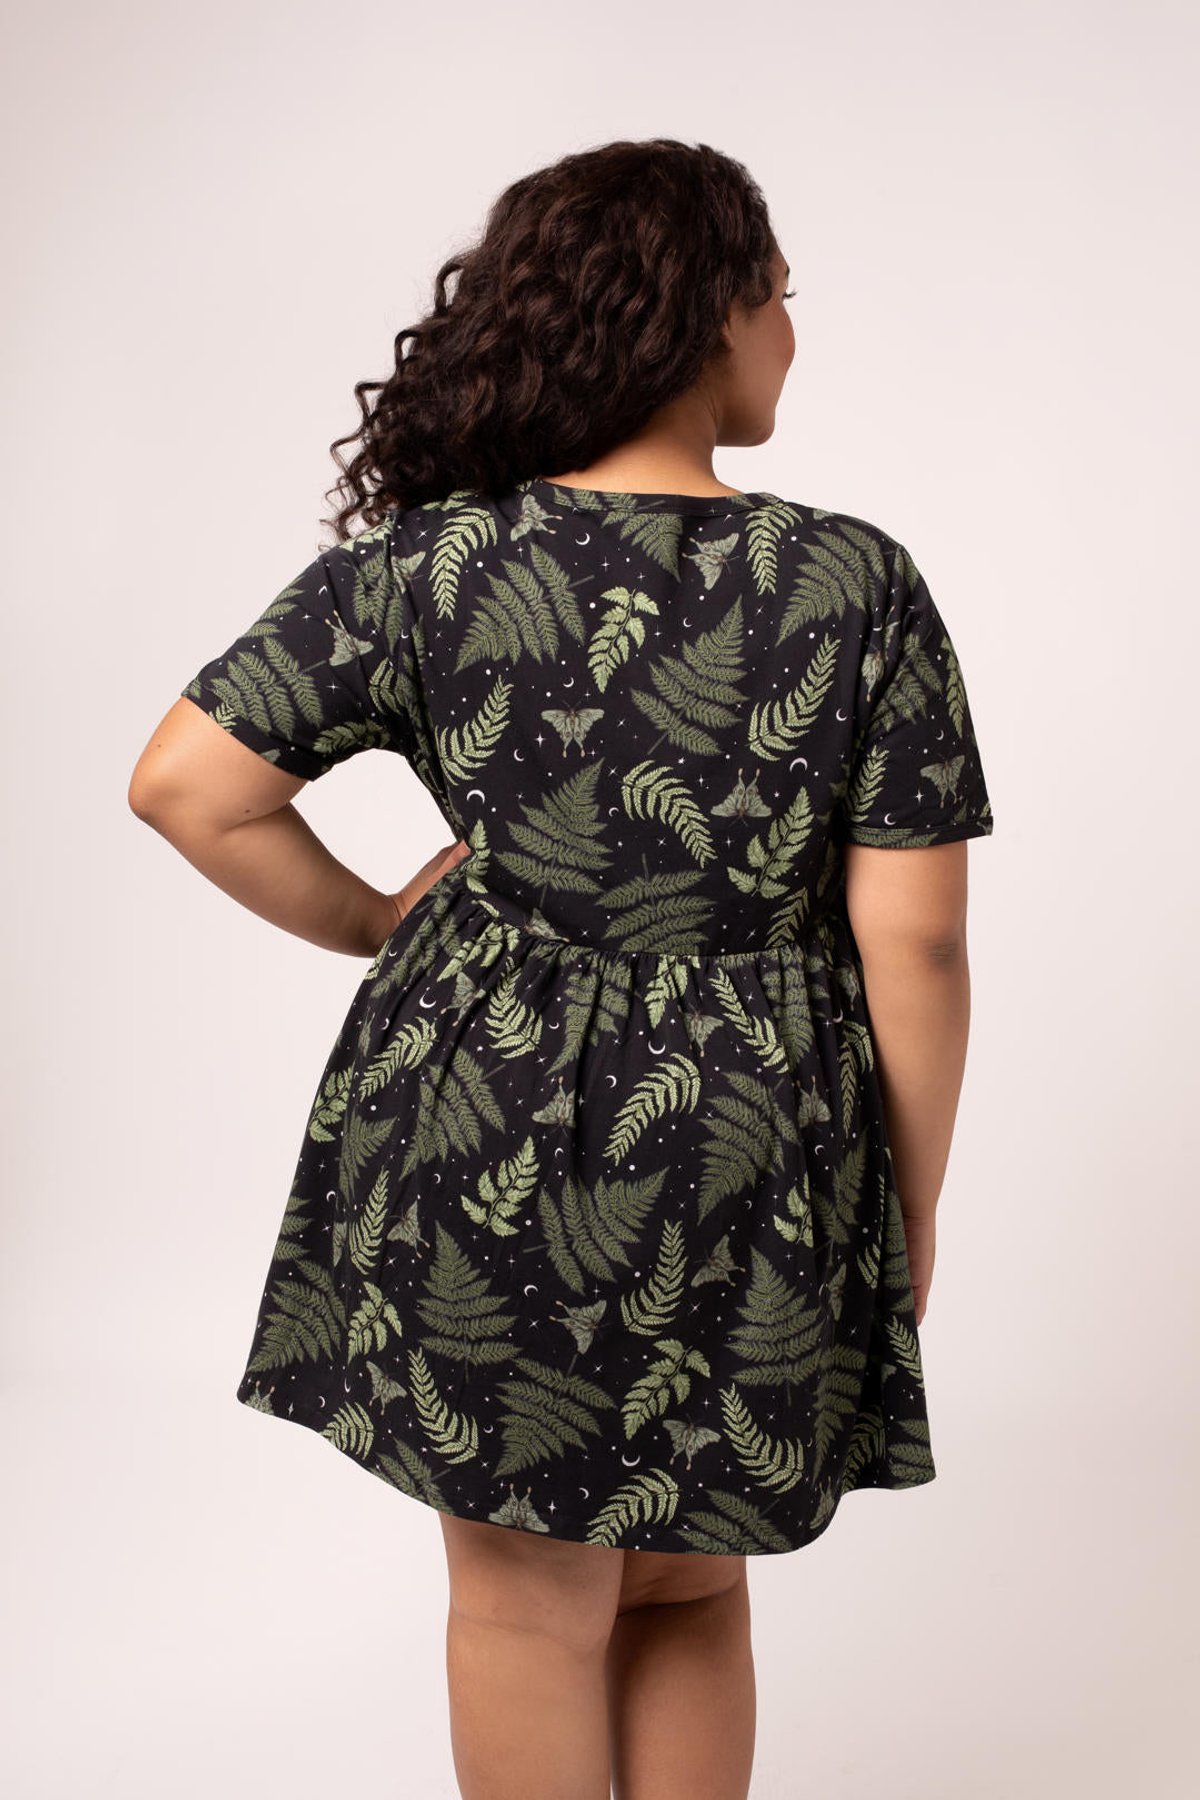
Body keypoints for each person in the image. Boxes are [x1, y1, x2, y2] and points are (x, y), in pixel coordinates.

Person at [128, 137, 995, 1800]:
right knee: (689, 1583)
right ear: (710, 313)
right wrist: (909, 1199)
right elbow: (922, 937)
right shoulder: (853, 581)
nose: (793, 331)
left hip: (485, 1123)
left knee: (529, 1606)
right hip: (756, 1133)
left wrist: (380, 920)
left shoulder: (436, 563)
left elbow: (187, 785)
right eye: (781, 295)